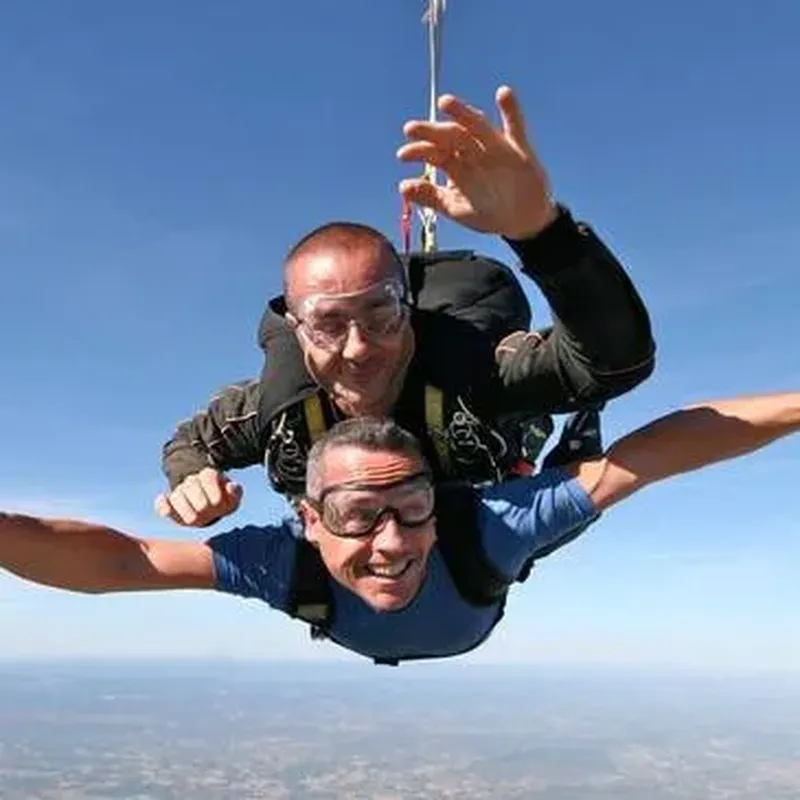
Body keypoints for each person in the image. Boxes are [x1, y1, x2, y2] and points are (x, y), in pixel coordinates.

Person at [155, 85, 656, 528]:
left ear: (409, 311)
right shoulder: (278, 411)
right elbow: (191, 441)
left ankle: (574, 436)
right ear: (296, 328)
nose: (358, 349)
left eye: (381, 315)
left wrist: (542, 232)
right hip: (365, 552)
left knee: (531, 526)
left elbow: (614, 361)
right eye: (329, 324)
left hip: (477, 512)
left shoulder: (478, 372)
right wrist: (192, 480)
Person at [3, 390, 797, 666]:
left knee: (564, 500)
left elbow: (650, 456)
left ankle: (550, 441)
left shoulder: (483, 528)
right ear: (309, 521)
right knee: (557, 508)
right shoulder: (285, 561)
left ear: (436, 501)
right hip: (478, 582)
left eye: (412, 507)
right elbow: (128, 562)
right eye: (356, 516)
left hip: (494, 545)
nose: (391, 542)